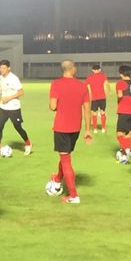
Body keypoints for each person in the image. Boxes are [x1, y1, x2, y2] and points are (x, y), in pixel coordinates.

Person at [48, 60, 92, 204]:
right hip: (76, 128)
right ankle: (57, 177)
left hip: (61, 127)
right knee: (65, 153)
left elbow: (53, 106)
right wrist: (87, 130)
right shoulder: (82, 86)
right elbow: (87, 109)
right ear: (73, 69)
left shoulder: (56, 84)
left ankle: (73, 195)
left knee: (66, 159)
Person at [0, 60, 32, 156]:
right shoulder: (0, 78)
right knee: (0, 127)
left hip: (14, 108)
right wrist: (1, 95)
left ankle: (28, 144)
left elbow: (21, 92)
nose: (2, 70)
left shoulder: (14, 78)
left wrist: (8, 98)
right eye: (1, 68)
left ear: (9, 68)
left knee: (17, 127)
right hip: (3, 108)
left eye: (4, 68)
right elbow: (4, 90)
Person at [115, 65, 131, 162]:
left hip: (124, 111)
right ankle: (127, 150)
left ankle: (124, 154)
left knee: (120, 133)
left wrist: (119, 101)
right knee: (128, 134)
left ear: (121, 74)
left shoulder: (120, 83)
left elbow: (120, 95)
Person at [85, 64, 110, 133]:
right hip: (102, 97)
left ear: (92, 70)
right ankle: (103, 128)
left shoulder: (89, 77)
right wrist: (107, 93)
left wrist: (89, 97)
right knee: (103, 112)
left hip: (94, 98)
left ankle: (95, 129)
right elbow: (106, 85)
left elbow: (88, 89)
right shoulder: (103, 76)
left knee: (94, 113)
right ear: (100, 69)